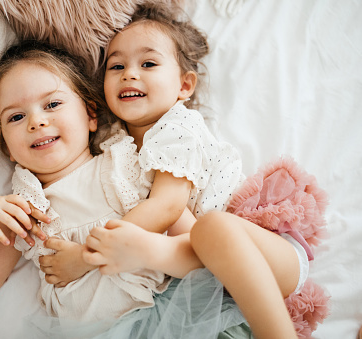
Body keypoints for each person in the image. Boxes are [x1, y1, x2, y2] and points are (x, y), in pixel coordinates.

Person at [80, 2, 308, 338]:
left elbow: (170, 209)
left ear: (185, 86)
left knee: (211, 229)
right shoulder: (116, 144)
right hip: (215, 282)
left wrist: (86, 254)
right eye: (116, 66)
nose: (129, 73)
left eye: (148, 63)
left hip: (266, 256)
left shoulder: (178, 126)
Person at [0, 40, 202, 324]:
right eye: (16, 116)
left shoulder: (127, 166)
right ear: (7, 147)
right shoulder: (24, 212)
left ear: (91, 115)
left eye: (52, 104)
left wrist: (90, 256)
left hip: (169, 316)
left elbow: (197, 247)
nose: (37, 122)